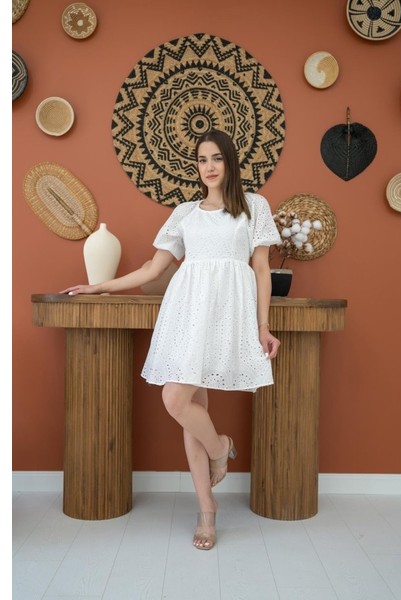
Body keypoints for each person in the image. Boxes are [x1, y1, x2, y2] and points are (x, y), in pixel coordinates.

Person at [61, 129, 281, 550]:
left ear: (230, 161)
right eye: (202, 159)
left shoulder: (254, 206)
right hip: (186, 313)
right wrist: (99, 286)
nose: (209, 167)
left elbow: (261, 268)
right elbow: (152, 268)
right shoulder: (184, 213)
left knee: (181, 402)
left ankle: (214, 474)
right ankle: (211, 488)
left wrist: (263, 325)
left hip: (228, 313)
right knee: (183, 402)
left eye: (217, 158)